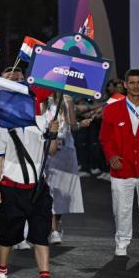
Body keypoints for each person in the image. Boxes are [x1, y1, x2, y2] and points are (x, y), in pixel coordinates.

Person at [0, 104, 60, 278]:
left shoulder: (42, 123)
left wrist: (53, 133)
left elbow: (52, 151)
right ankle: (1, 272)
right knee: (6, 234)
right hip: (11, 189)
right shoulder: (2, 127)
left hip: (37, 189)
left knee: (41, 234)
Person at [100, 69, 139, 259]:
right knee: (121, 209)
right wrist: (111, 156)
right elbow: (105, 138)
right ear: (125, 85)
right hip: (121, 168)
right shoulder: (111, 109)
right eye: (131, 82)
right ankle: (122, 243)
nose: (135, 86)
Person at [43, 92, 84, 244]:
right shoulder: (42, 100)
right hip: (48, 147)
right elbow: (39, 122)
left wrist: (78, 123)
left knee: (63, 191)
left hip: (66, 149)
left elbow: (72, 125)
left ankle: (57, 223)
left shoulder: (67, 100)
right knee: (50, 189)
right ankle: (53, 229)